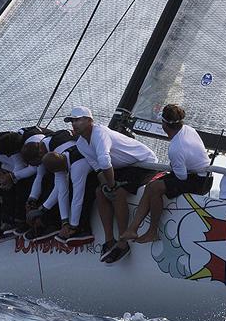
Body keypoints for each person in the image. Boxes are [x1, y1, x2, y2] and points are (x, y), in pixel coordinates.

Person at [65, 106, 157, 264]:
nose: (74, 123)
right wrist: (106, 186)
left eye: (78, 120)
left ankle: (123, 242)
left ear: (89, 121)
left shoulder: (100, 133)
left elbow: (104, 160)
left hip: (144, 162)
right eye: (72, 121)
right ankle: (109, 240)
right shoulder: (81, 143)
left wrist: (112, 185)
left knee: (119, 192)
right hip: (124, 167)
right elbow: (98, 168)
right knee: (100, 192)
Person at [121, 104, 211, 244]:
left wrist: (173, 166)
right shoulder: (188, 129)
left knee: (156, 188)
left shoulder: (176, 147)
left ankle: (152, 232)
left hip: (199, 181)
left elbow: (181, 177)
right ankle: (132, 228)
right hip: (200, 175)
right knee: (151, 186)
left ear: (164, 124)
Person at [21, 129, 76, 242]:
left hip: (80, 167)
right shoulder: (45, 146)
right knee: (47, 180)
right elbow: (40, 175)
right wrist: (32, 200)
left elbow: (61, 190)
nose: (40, 166)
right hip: (70, 165)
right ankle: (44, 221)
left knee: (56, 184)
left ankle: (54, 223)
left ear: (40, 156)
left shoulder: (57, 153)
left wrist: (43, 209)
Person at [41, 146, 97, 245]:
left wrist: (72, 226)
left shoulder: (77, 168)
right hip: (91, 168)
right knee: (69, 189)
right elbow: (62, 192)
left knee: (84, 193)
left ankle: (82, 229)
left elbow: (78, 198)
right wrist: (65, 221)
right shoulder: (61, 158)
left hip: (108, 167)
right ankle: (69, 225)